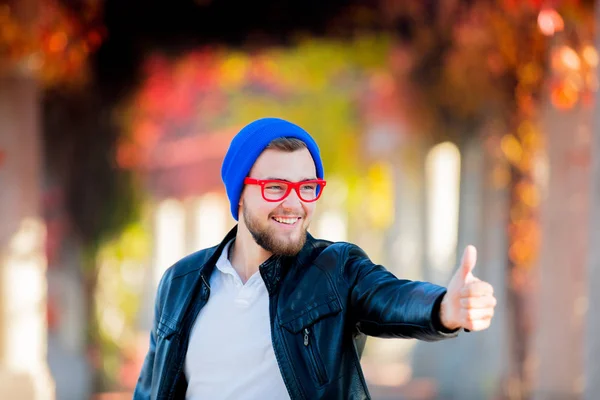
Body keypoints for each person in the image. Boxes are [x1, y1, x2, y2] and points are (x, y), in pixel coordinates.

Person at [134, 117, 497, 400]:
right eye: (276, 187)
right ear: (240, 194)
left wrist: (443, 309)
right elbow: (152, 389)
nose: (294, 203)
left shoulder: (335, 270)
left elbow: (390, 297)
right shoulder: (181, 281)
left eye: (307, 187)